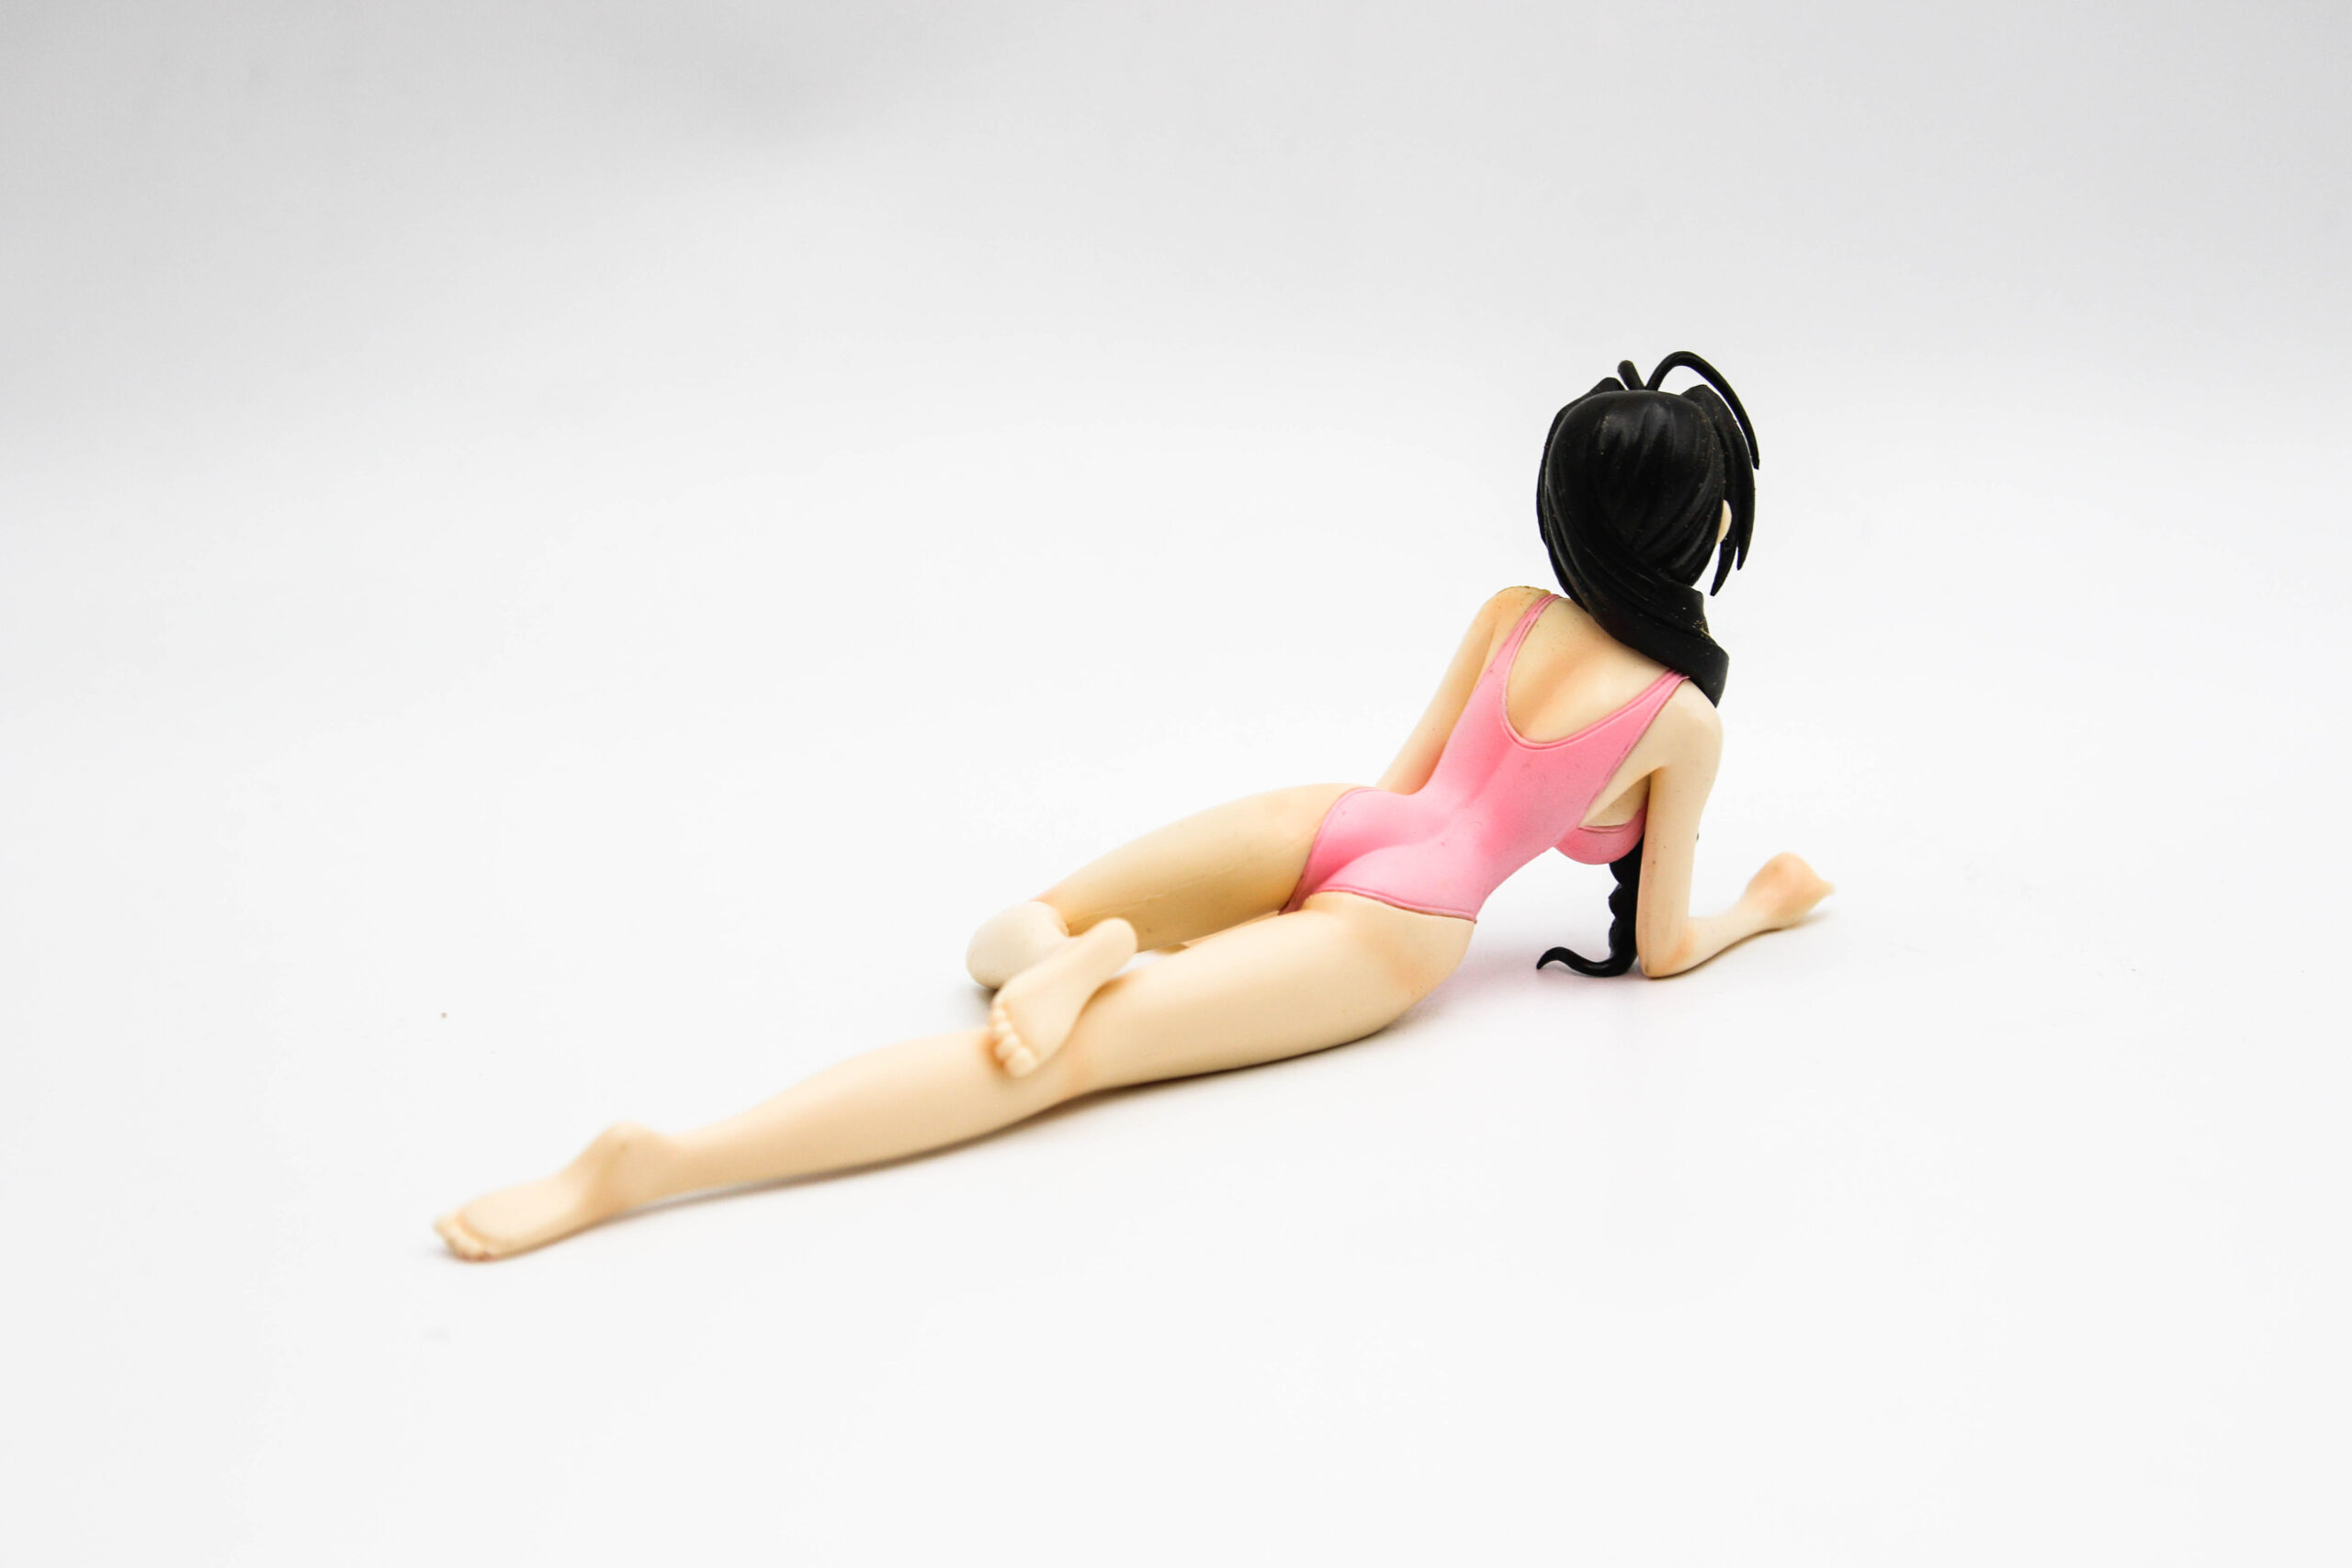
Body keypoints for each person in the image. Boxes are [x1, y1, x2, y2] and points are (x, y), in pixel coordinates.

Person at [434, 352, 1833, 1261]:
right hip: (1406, 919)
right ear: (1704, 528)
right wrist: (1758, 913)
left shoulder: (1512, 610)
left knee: (1013, 931)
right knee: (1061, 1062)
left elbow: (1408, 781)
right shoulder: (1680, 720)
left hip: (1342, 822)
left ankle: (1076, 952)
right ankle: (669, 1162)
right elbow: (1660, 946)